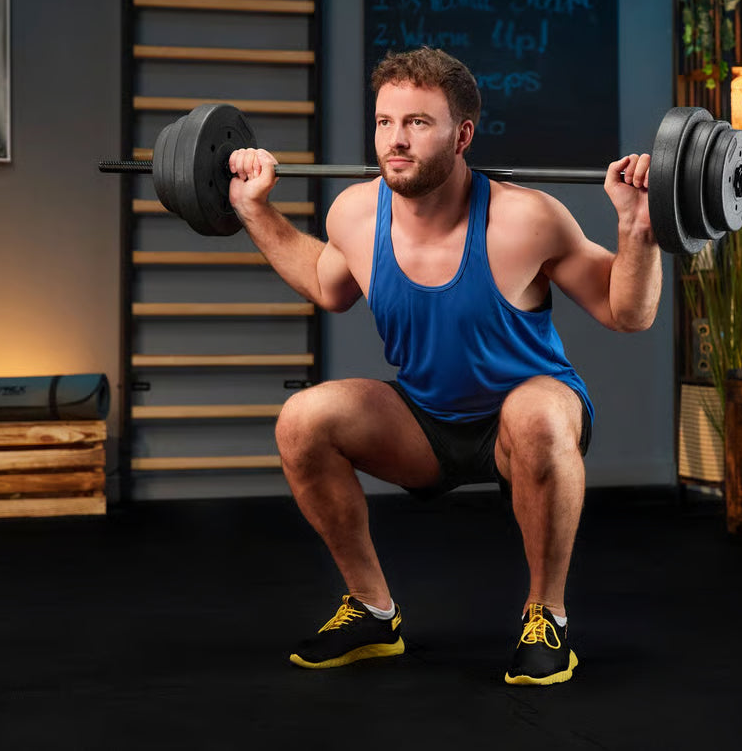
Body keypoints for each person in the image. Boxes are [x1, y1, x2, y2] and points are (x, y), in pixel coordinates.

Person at [227, 47, 661, 686]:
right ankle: (373, 612)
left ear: (462, 135)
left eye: (417, 123)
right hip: (426, 421)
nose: (395, 142)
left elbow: (627, 313)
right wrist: (253, 210)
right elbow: (327, 283)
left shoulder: (525, 217)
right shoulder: (354, 212)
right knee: (302, 419)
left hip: (530, 421)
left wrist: (638, 228)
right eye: (384, 122)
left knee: (535, 411)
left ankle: (547, 618)